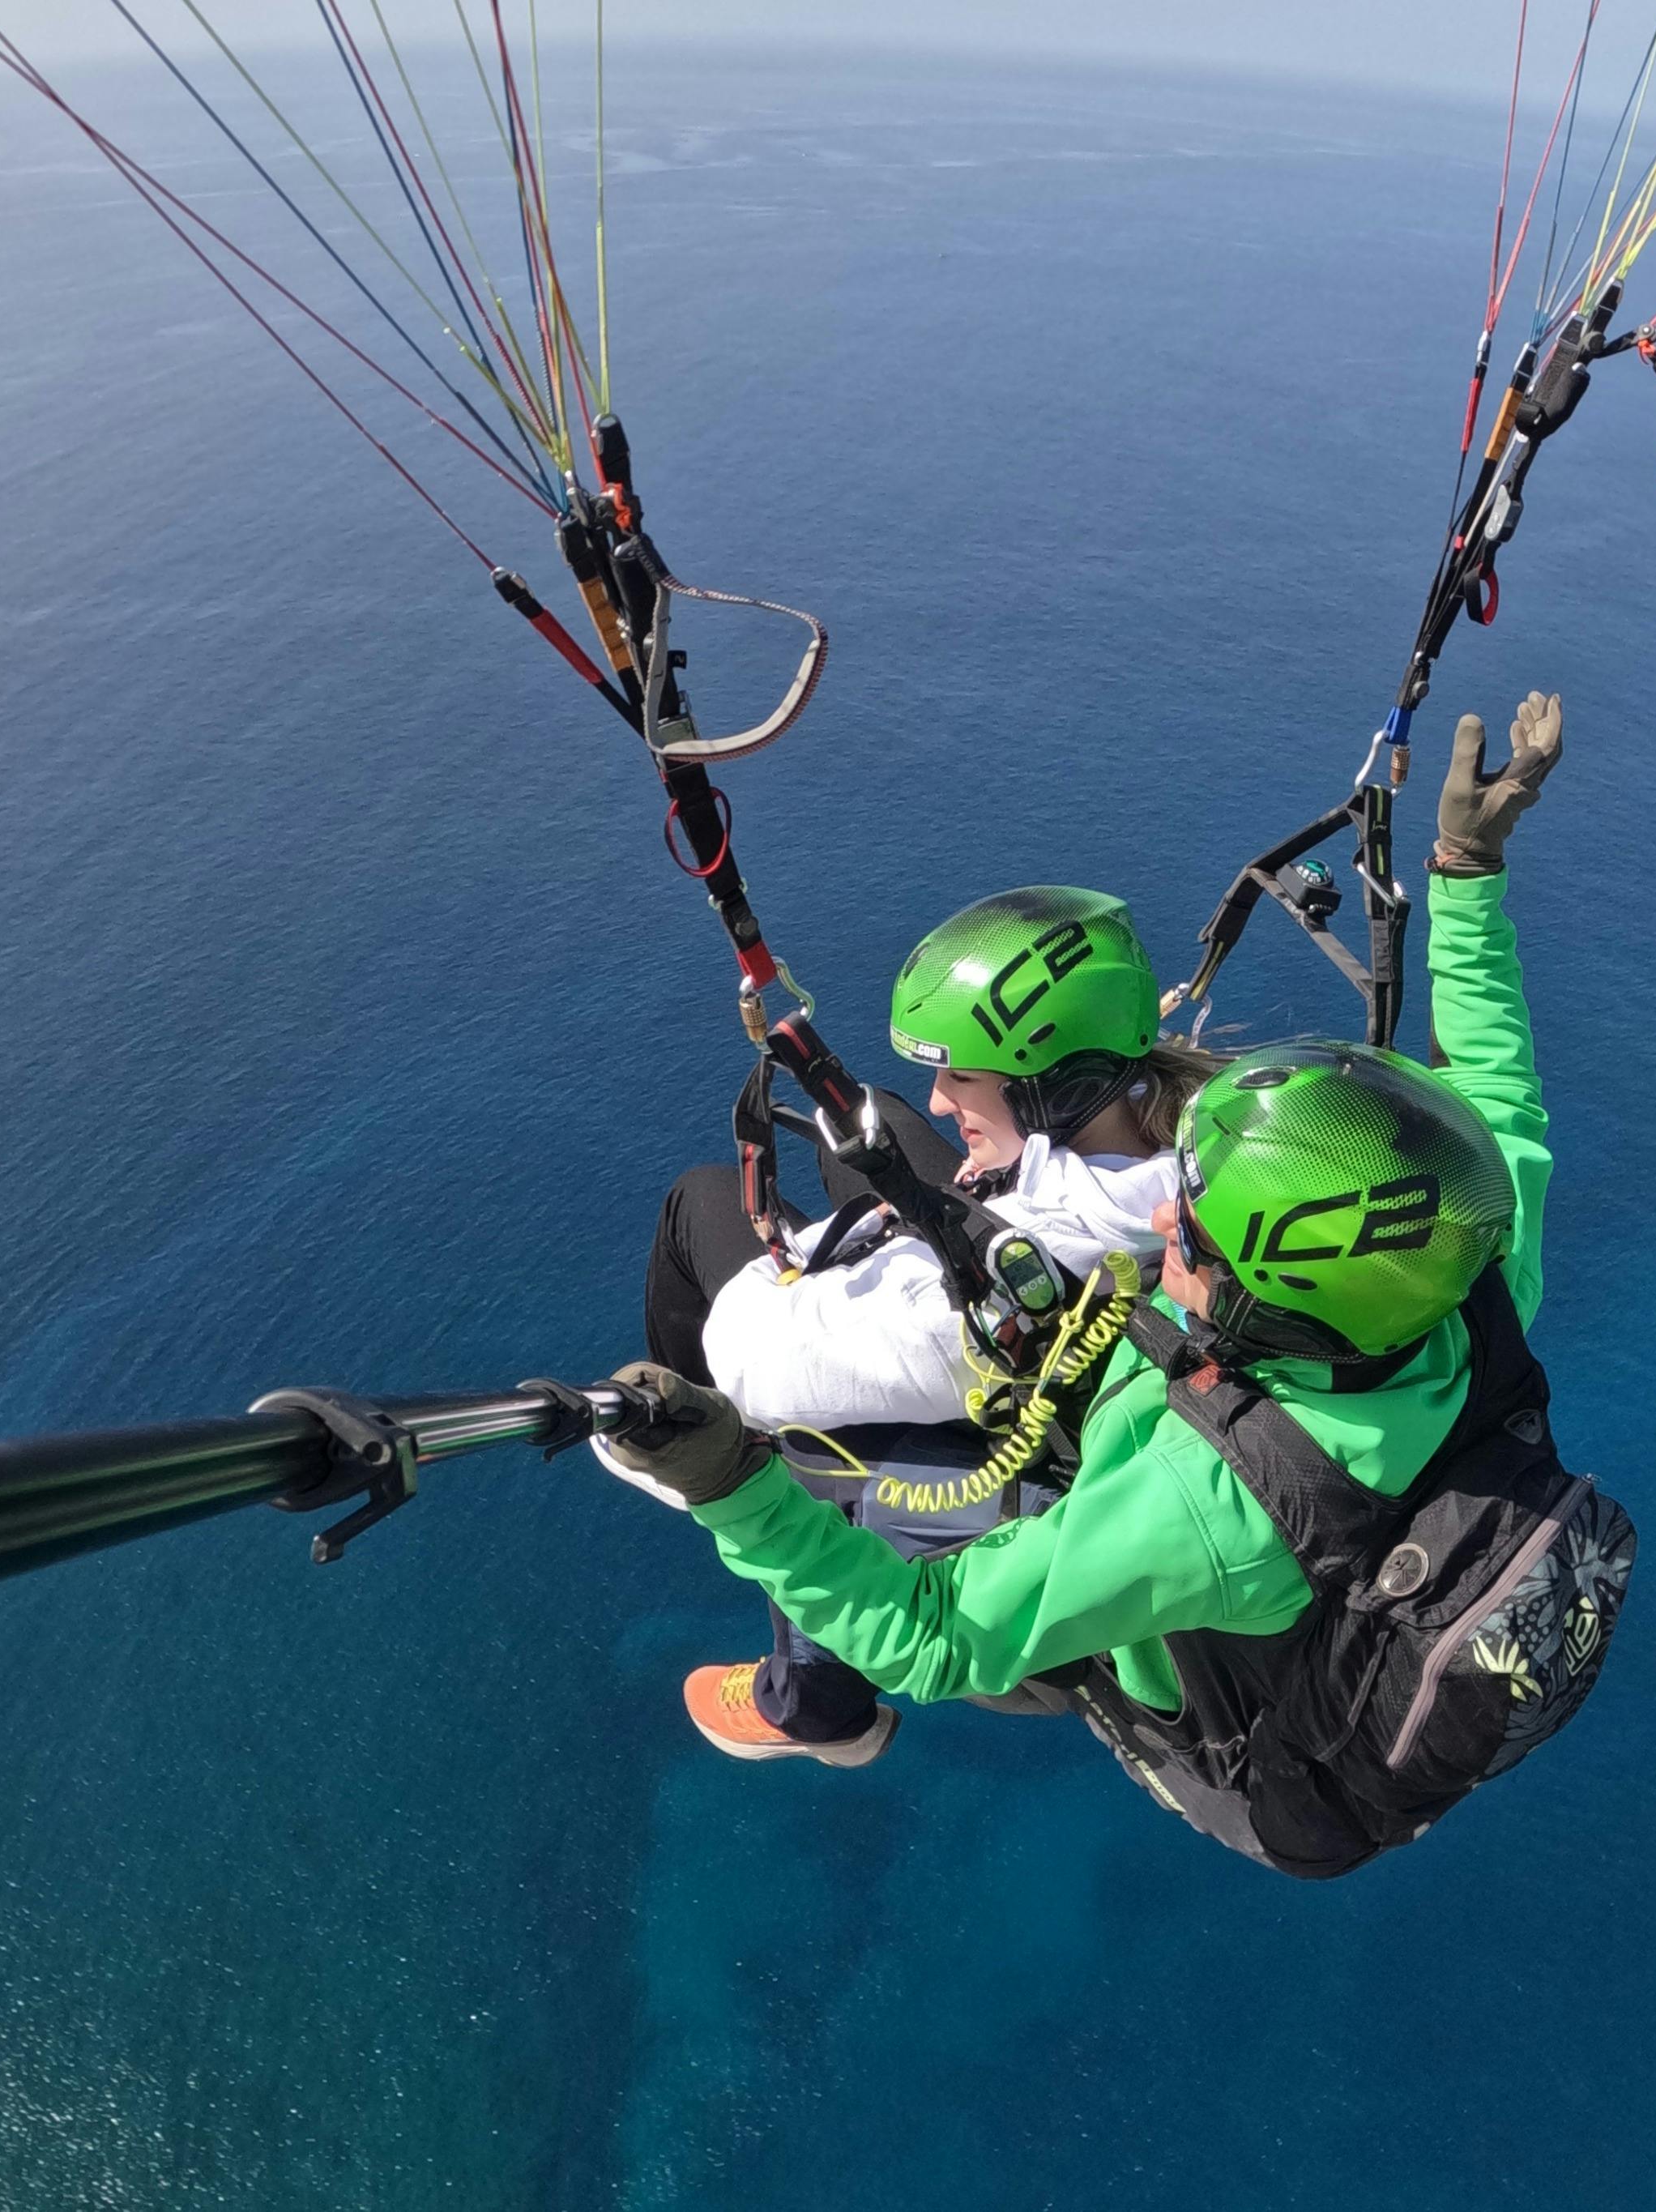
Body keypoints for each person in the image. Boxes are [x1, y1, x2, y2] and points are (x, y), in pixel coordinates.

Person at [603, 690, 1571, 1872]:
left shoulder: (1211, 1503)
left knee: (816, 1465)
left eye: (1195, 1243)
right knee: (908, 1183)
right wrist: (1466, 875)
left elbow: (942, 1639)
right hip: (1256, 1499)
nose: (1170, 1227)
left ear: (1265, 1310)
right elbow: (1497, 1095)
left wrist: (728, 1484)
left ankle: (816, 1705)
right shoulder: (1468, 1268)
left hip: (1188, 1673)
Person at [627, 885, 1222, 1768]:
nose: (940, 1100)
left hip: (1010, 1470)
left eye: (963, 1077)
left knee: (700, 1206)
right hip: (1050, 1321)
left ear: (1056, 1086)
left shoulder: (974, 1306)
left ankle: (813, 1694)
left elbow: (754, 1358)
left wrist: (822, 1258)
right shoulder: (1209, 1138)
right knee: (857, 1123)